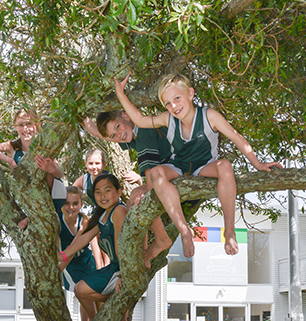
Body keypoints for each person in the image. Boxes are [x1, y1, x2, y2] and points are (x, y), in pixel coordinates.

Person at [114, 73, 283, 258]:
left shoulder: (210, 116)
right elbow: (139, 120)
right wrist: (120, 93)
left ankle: (229, 231)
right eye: (168, 103)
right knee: (156, 173)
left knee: (225, 166)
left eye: (177, 98)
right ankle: (184, 230)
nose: (174, 106)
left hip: (205, 165)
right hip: (178, 165)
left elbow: (237, 138)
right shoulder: (168, 119)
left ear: (190, 94)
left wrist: (258, 164)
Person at [83, 112, 172, 268]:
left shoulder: (144, 131)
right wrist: (80, 116)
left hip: (178, 170)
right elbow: (102, 135)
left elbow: (151, 177)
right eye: (114, 135)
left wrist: (146, 190)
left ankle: (162, 237)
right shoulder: (133, 133)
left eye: (118, 127)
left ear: (125, 115)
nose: (119, 135)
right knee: (133, 198)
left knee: (140, 198)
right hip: (169, 173)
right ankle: (143, 253)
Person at [57, 172, 127, 321]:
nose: (102, 196)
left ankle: (116, 303)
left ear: (119, 191)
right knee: (80, 289)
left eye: (107, 190)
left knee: (82, 290)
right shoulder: (103, 214)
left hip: (122, 267)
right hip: (114, 266)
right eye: (98, 192)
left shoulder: (118, 211)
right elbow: (83, 238)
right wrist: (61, 256)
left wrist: (123, 275)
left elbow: (121, 248)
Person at [0, 108, 66, 226]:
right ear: (15, 126)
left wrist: (51, 169)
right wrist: (9, 161)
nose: (25, 128)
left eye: (29, 123)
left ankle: (35, 216)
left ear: (38, 125)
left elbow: (59, 174)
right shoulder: (12, 147)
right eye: (21, 124)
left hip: (54, 196)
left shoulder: (43, 145)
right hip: (31, 199)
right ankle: (32, 216)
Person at [58, 186, 103, 321]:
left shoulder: (84, 221)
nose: (71, 207)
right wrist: (58, 270)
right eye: (66, 203)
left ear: (81, 205)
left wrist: (100, 267)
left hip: (87, 260)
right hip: (70, 265)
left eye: (75, 203)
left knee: (97, 296)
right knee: (84, 292)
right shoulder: (57, 222)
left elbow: (94, 244)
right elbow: (68, 253)